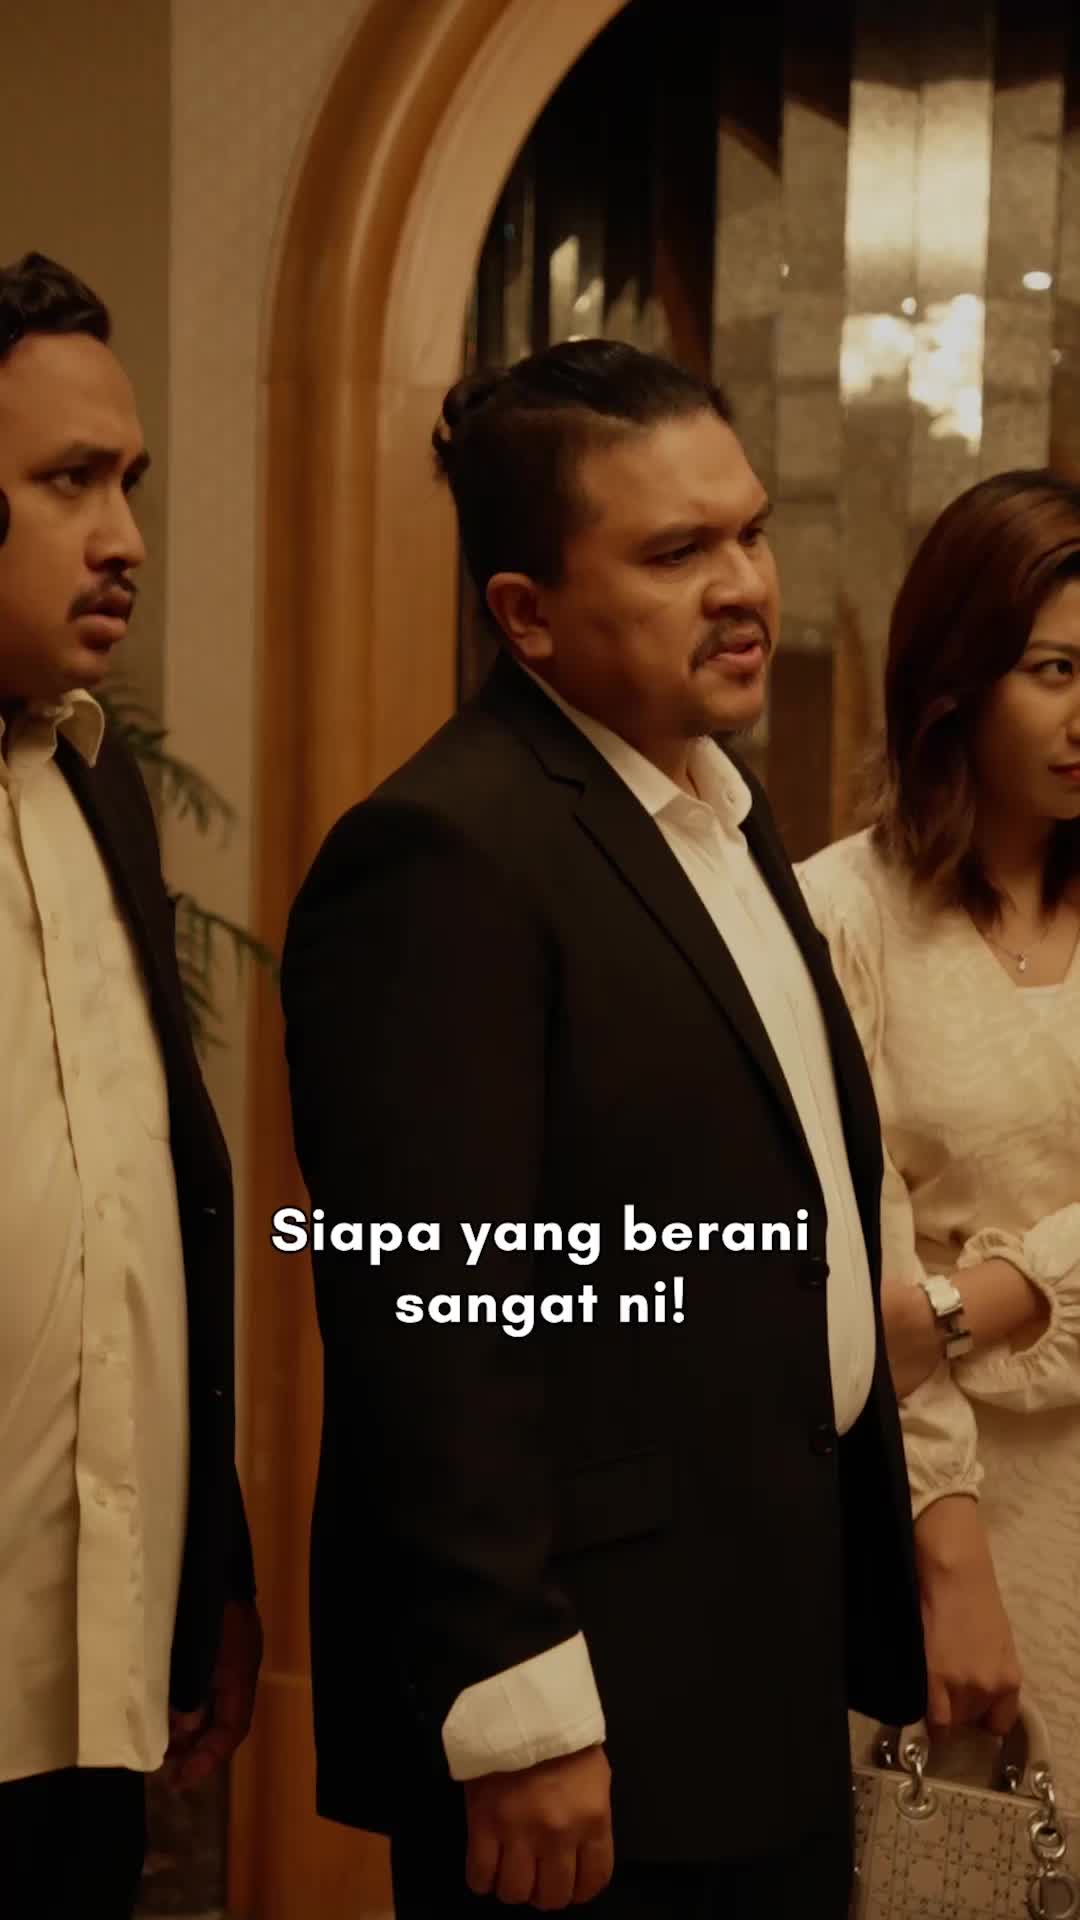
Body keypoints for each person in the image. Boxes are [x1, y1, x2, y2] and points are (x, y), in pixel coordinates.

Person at [281, 338, 925, 1917]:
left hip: (755, 1659)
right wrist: (516, 1697)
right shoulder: (444, 853)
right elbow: (432, 1310)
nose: (745, 586)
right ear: (527, 614)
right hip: (584, 1706)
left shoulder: (720, 805)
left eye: (751, 531)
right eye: (675, 552)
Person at [0, 253, 261, 1919]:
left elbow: (135, 1209)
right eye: (69, 482)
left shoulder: (98, 791)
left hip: (85, 1700)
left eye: (132, 484)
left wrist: (202, 1564)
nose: (126, 539)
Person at [798, 470, 1080, 1804]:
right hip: (960, 1513)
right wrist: (949, 1555)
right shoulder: (841, 917)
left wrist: (988, 1294)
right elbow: (857, 1273)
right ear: (956, 681)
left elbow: (916, 1310)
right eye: (1055, 671)